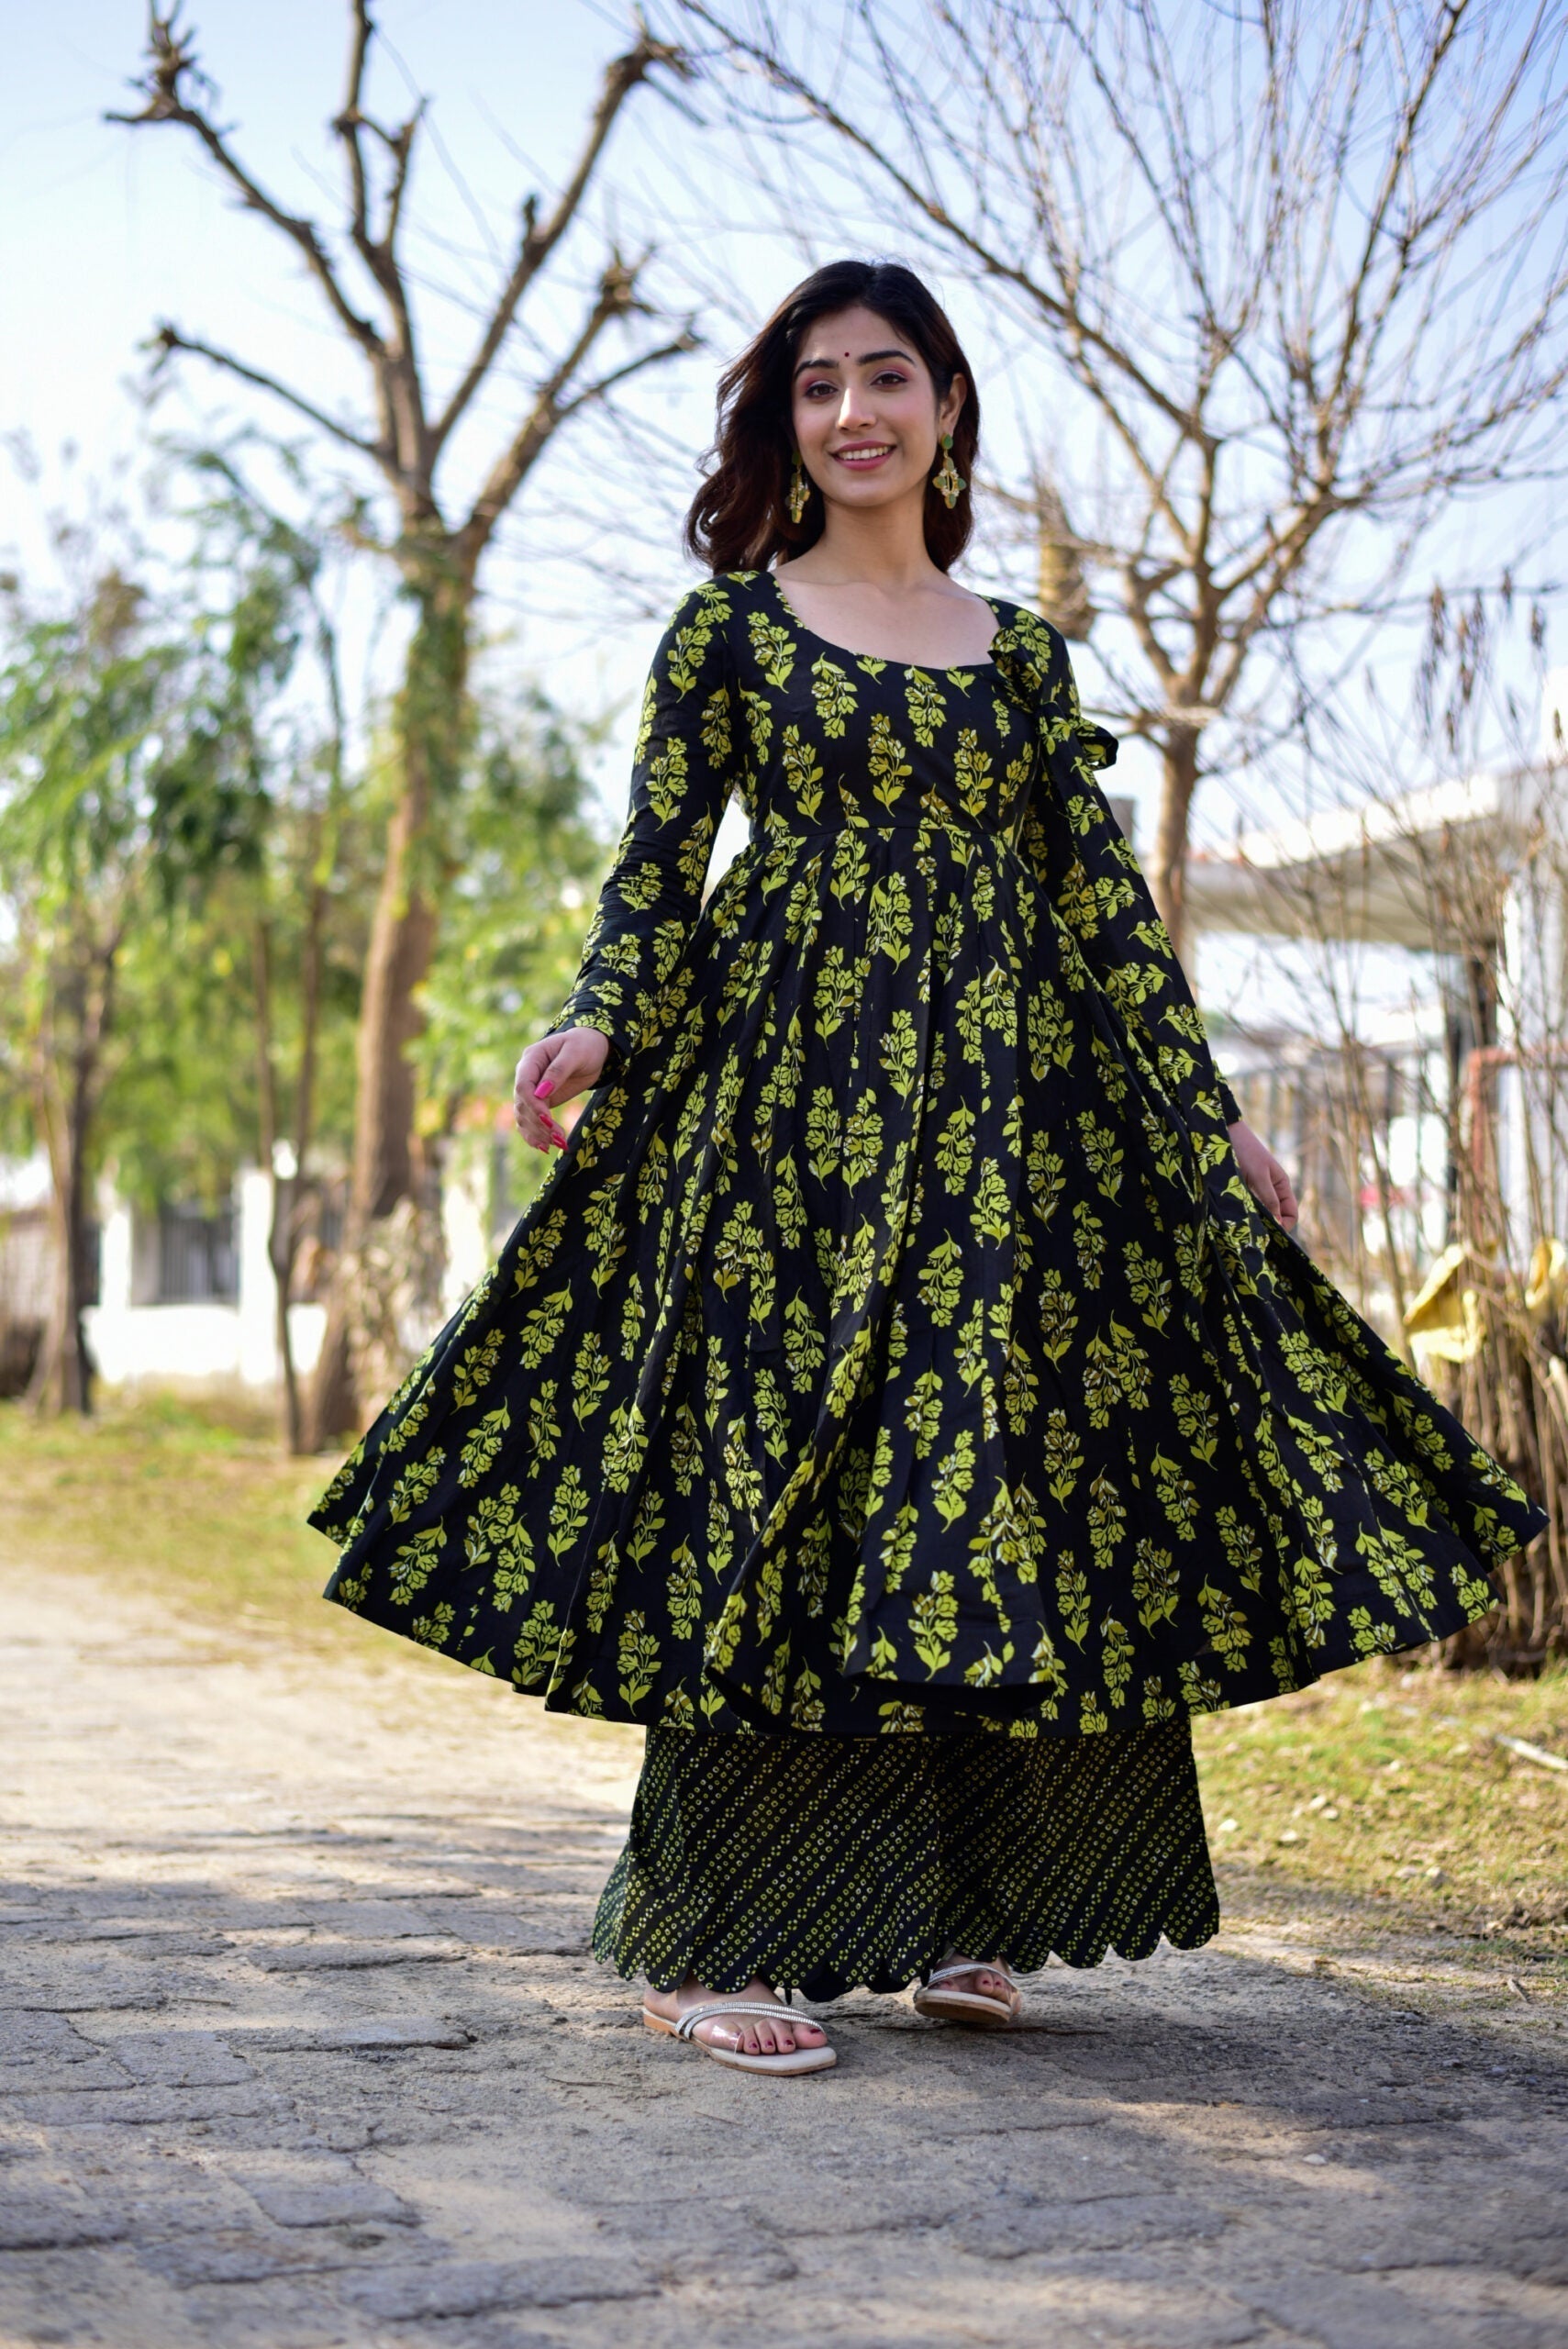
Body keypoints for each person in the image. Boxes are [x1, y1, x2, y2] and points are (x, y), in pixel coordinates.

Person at [310, 259, 1545, 2078]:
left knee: (993, 1473)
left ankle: (958, 1909)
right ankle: (713, 1935)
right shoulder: (728, 633)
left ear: (947, 403)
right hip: (785, 1126)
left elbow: (1095, 902)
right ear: (786, 421)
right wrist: (598, 1021)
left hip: (1002, 1134)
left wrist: (1207, 1112)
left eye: (885, 377)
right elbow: (658, 867)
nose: (852, 413)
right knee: (785, 1492)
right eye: (817, 387)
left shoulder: (1019, 653)